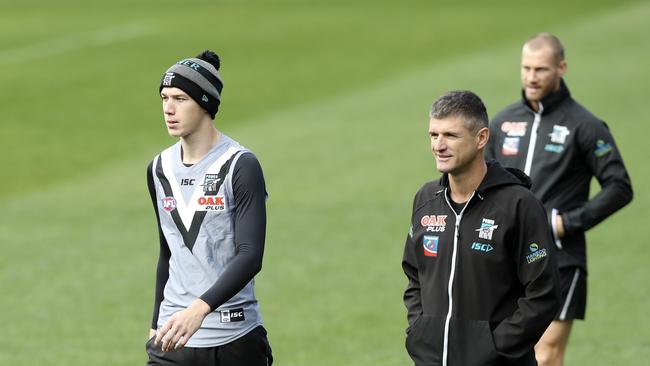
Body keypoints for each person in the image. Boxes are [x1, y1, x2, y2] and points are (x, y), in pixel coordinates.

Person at [486, 33, 633, 366]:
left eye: (541, 69)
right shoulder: (503, 122)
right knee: (498, 351)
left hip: (559, 258)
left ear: (561, 68)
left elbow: (619, 186)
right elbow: (485, 182)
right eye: (526, 68)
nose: (531, 77)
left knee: (546, 353)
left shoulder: (585, 125)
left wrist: (566, 223)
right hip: (505, 257)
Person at [402, 90, 560, 366]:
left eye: (450, 135)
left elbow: (543, 293)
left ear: (481, 138)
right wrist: (421, 330)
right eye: (433, 135)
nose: (438, 145)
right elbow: (415, 275)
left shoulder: (518, 204)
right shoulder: (426, 200)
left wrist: (493, 348)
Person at [145, 50, 272, 366]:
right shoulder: (159, 168)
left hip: (233, 340)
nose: (169, 109)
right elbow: (168, 252)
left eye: (180, 99)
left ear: (205, 103)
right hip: (172, 340)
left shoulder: (240, 166)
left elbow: (250, 255)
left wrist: (199, 309)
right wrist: (155, 323)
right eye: (164, 97)